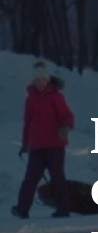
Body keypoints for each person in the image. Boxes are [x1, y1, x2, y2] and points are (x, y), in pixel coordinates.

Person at [12, 60, 73, 219]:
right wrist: (25, 142)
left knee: (57, 178)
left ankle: (63, 209)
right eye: (38, 80)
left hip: (55, 145)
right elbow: (28, 122)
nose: (41, 83)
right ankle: (22, 209)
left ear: (48, 80)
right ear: (34, 81)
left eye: (43, 80)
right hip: (37, 146)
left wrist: (65, 127)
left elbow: (67, 116)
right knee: (30, 179)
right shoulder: (30, 99)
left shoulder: (56, 97)